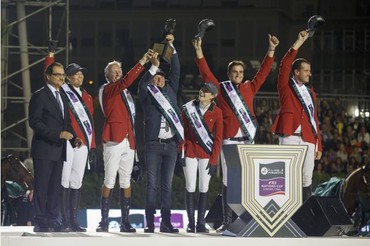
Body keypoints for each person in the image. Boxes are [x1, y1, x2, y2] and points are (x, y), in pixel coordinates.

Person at [192, 34, 279, 232]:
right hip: (229, 141)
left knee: (247, 181)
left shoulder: (249, 87)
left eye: (240, 72)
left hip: (247, 141)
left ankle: (246, 219)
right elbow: (206, 74)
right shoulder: (221, 90)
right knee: (228, 182)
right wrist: (199, 51)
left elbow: (264, 73)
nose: (238, 74)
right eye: (234, 72)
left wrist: (271, 50)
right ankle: (227, 220)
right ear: (229, 73)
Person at [95, 48, 153, 233]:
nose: (116, 73)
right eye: (112, 72)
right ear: (107, 76)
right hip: (113, 139)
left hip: (129, 140)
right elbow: (127, 80)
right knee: (110, 179)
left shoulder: (125, 93)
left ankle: (125, 222)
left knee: (126, 181)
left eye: (118, 71)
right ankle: (104, 222)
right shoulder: (108, 90)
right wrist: (142, 62)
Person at [44, 43, 96, 232]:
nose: (80, 76)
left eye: (82, 74)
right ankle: (63, 220)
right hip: (67, 141)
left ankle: (73, 221)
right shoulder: (63, 90)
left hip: (83, 144)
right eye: (76, 74)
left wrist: (93, 146)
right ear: (67, 77)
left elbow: (90, 124)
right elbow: (48, 73)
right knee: (64, 180)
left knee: (76, 182)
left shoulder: (88, 96)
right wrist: (50, 55)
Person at [29, 61, 82, 232]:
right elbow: (35, 122)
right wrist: (57, 135)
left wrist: (74, 137)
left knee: (54, 188)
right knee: (42, 187)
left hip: (59, 150)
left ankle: (52, 219)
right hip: (44, 149)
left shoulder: (63, 96)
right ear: (48, 76)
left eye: (62, 75)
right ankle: (40, 221)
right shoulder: (39, 96)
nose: (61, 78)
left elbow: (65, 122)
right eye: (57, 74)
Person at [271, 30, 322, 203]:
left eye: (309, 70)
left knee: (306, 178)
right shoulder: (285, 86)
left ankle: (304, 215)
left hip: (308, 138)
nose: (309, 73)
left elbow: (314, 119)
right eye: (306, 70)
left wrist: (318, 145)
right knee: (286, 175)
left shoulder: (311, 92)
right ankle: (285, 213)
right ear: (296, 72)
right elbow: (284, 64)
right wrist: (298, 42)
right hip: (290, 136)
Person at [138, 33, 182, 233]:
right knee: (152, 185)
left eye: (162, 77)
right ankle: (149, 222)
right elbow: (142, 85)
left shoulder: (171, 91)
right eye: (156, 77)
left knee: (167, 186)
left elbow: (177, 70)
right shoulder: (148, 94)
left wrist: (171, 45)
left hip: (171, 145)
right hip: (154, 145)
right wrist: (152, 67)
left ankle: (166, 222)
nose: (160, 80)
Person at [181, 83, 223, 233]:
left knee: (204, 187)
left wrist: (214, 160)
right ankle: (191, 223)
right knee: (190, 186)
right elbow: (183, 132)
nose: (202, 92)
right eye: (202, 89)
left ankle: (200, 223)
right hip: (190, 151)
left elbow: (218, 138)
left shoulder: (217, 112)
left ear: (213, 96)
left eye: (206, 91)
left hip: (206, 154)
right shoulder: (189, 108)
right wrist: (182, 151)